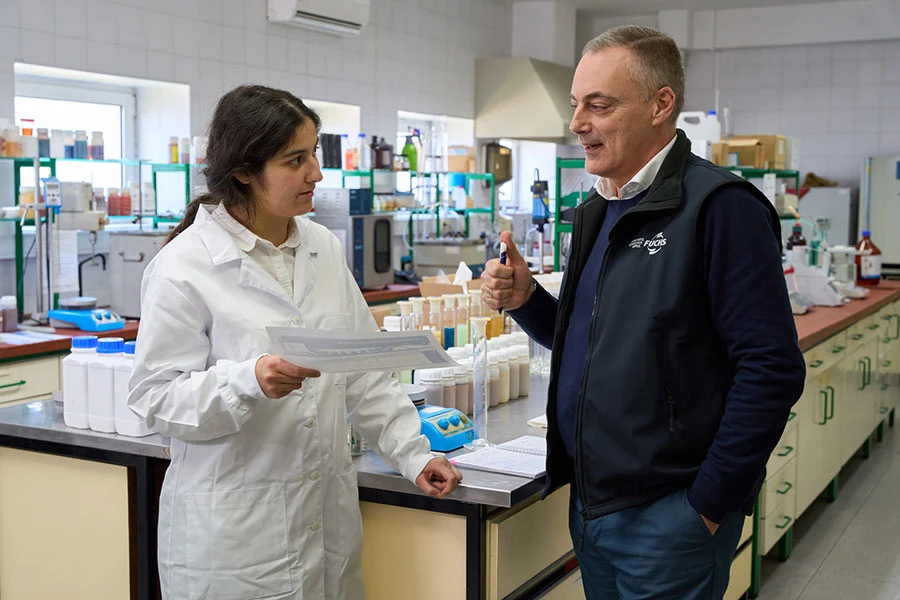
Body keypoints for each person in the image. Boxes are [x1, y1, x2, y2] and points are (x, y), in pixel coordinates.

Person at [481, 26, 805, 599]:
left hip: (670, 514)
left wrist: (706, 506)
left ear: (661, 105)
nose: (578, 123)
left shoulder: (719, 208)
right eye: (575, 105)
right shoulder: (596, 209)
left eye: (599, 106)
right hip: (591, 507)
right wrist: (527, 300)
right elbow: (595, 340)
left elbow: (772, 369)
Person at [128, 85, 462, 600]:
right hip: (235, 544)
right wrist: (249, 380)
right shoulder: (184, 267)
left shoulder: (321, 248)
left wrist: (414, 454)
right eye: (295, 160)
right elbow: (155, 399)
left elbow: (365, 372)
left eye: (315, 154)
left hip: (325, 527)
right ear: (244, 171)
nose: (317, 174)